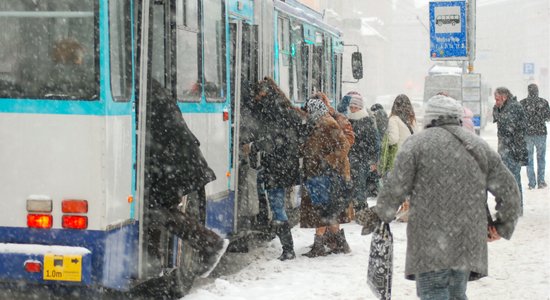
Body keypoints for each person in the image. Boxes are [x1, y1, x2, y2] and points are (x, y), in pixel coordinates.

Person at [369, 95, 522, 300]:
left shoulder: (416, 145)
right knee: (456, 293)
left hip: (429, 239)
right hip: (468, 237)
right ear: (458, 118)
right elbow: (509, 189)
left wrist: (381, 214)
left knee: (433, 293)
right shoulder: (477, 146)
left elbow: (395, 187)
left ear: (430, 119)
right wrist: (501, 226)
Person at [147, 79, 228, 280]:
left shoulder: (146, 92)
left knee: (155, 210)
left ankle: (211, 243)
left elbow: (161, 135)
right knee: (156, 209)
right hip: (176, 162)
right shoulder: (153, 89)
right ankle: (153, 261)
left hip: (177, 165)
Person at [247, 77, 304, 260]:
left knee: (278, 206)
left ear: (263, 94)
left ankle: (288, 249)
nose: (256, 99)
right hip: (286, 166)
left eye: (258, 95)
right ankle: (272, 228)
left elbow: (272, 140)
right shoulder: (286, 110)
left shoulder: (272, 112)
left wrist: (254, 147)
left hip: (276, 166)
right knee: (273, 200)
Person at [301, 95, 354, 257]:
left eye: (310, 110)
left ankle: (319, 244)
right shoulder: (322, 121)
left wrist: (328, 161)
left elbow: (344, 145)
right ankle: (340, 242)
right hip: (326, 173)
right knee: (329, 210)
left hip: (328, 174)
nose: (308, 114)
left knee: (323, 209)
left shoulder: (328, 123)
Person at [493, 87, 528, 212]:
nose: (496, 102)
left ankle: (518, 207)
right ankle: (509, 206)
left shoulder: (514, 107)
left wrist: (514, 145)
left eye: (497, 99)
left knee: (514, 179)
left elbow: (516, 127)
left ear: (504, 96)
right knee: (505, 178)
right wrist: (498, 108)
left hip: (514, 149)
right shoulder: (501, 107)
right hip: (504, 147)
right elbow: (497, 119)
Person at [383, 94, 417, 222]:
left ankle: (397, 211)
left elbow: (393, 139)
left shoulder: (393, 119)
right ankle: (407, 210)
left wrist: (385, 136)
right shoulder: (412, 119)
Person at [346, 92, 381, 209]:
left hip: (362, 159)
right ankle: (354, 209)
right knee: (352, 186)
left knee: (360, 186)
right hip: (351, 159)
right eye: (351, 107)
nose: (353, 109)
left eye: (355, 107)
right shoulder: (347, 121)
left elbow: (375, 143)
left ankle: (361, 209)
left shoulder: (367, 121)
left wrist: (373, 161)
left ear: (360, 107)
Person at [520, 83, 550, 189]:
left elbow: (519, 119)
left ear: (528, 91)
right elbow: (548, 117)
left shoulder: (523, 103)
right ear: (537, 91)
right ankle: (541, 182)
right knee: (541, 158)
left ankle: (532, 183)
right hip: (541, 133)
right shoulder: (544, 102)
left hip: (527, 134)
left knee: (529, 159)